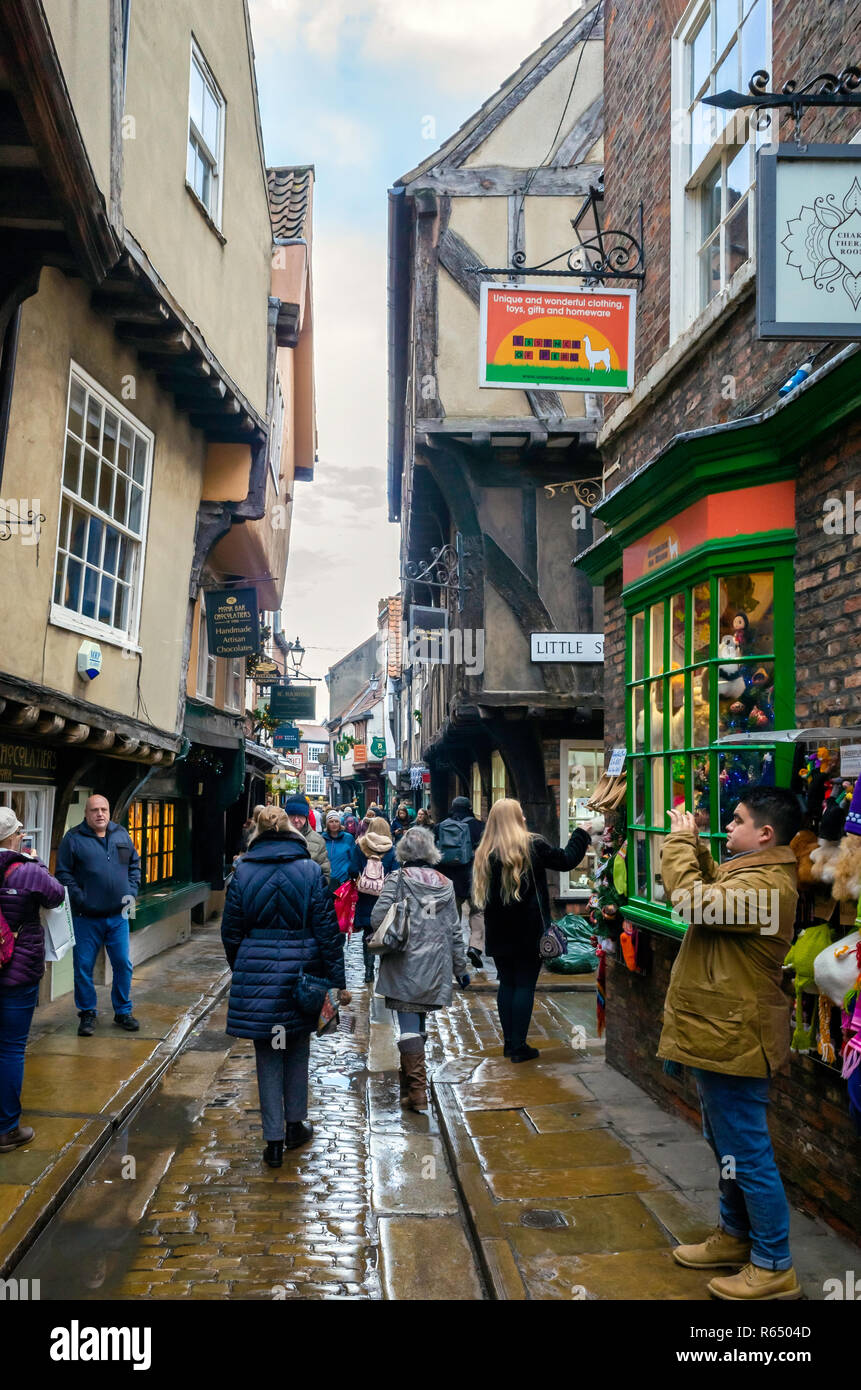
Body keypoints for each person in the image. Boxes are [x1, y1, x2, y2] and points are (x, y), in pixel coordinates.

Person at [659, 788, 803, 1302]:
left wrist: (678, 844)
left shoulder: (771, 888)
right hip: (719, 1031)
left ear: (765, 834)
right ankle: (735, 1235)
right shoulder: (752, 873)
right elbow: (715, 880)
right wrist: (696, 848)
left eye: (737, 821)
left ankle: (773, 1264)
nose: (728, 827)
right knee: (726, 1147)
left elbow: (693, 901)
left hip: (736, 1035)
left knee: (747, 1151)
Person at [221, 809, 347, 1168]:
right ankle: (295, 1126)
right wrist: (336, 980)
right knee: (296, 1051)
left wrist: (244, 966)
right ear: (293, 829)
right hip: (301, 973)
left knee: (267, 1056)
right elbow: (327, 929)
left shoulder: (243, 870)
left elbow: (231, 931)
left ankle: (273, 1141)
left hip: (258, 973)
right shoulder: (308, 870)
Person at [472, 798, 589, 1063]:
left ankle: (509, 1044)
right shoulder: (532, 845)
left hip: (499, 933)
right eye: (520, 814)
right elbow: (567, 859)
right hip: (528, 931)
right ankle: (519, 1047)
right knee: (524, 985)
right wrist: (582, 833)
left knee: (508, 984)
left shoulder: (485, 852)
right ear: (515, 819)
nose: (524, 817)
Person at [370, 826, 470, 1112]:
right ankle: (410, 1088)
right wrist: (460, 968)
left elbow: (379, 916)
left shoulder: (398, 879)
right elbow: (454, 931)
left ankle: (417, 1093)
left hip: (405, 964)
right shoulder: (446, 884)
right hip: (435, 966)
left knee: (408, 1026)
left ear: (403, 851)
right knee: (419, 1022)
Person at [0, 808, 65, 1152]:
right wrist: (36, 862)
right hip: (16, 973)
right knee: (10, 1049)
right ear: (12, 837)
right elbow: (56, 894)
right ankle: (6, 1128)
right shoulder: (26, 871)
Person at [56, 794, 141, 1037]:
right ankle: (87, 1014)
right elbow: (63, 874)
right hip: (86, 916)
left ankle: (123, 1011)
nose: (100, 814)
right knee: (83, 966)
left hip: (119, 915)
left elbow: (132, 866)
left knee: (123, 964)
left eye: (104, 809)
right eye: (95, 810)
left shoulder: (121, 835)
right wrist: (81, 897)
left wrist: (131, 892)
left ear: (109, 811)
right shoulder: (73, 839)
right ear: (86, 813)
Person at [435, 795, 486, 971]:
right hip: (474, 877)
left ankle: (454, 951)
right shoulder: (479, 826)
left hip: (450, 879)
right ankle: (475, 947)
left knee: (452, 916)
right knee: (477, 913)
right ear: (469, 807)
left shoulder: (441, 826)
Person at [349, 816, 396, 984]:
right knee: (385, 935)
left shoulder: (361, 847)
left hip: (365, 898)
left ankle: (368, 971)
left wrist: (361, 878)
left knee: (368, 935)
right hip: (385, 898)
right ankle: (384, 972)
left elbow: (352, 869)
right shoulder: (391, 849)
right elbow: (397, 873)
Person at [284, 795, 331, 886]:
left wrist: (315, 893)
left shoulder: (318, 840)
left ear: (306, 816)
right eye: (292, 815)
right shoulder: (278, 837)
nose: (296, 820)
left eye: (300, 815)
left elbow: (325, 872)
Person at [322, 811, 356, 889]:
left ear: (340, 823)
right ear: (327, 824)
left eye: (336, 821)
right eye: (331, 821)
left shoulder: (348, 838)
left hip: (343, 880)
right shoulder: (322, 839)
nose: (334, 824)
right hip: (326, 880)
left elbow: (353, 858)